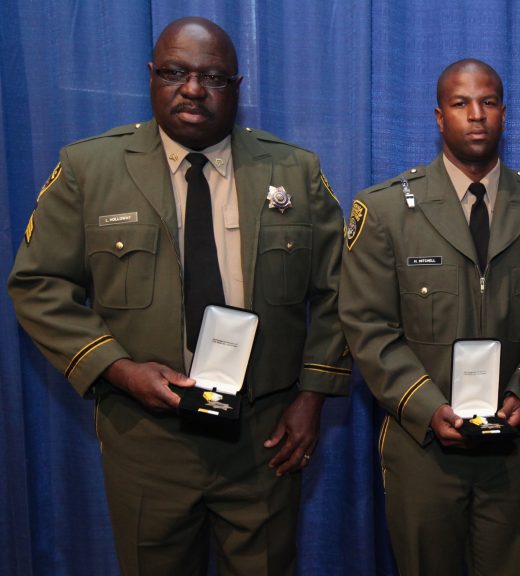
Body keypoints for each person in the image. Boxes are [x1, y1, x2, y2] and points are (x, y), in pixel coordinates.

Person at [7, 17, 350, 575]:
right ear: (151, 77)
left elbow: (343, 292)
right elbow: (37, 285)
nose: (193, 89)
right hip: (146, 440)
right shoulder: (89, 170)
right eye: (175, 72)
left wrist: (311, 396)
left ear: (238, 86)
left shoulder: (295, 170)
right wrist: (117, 369)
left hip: (264, 438)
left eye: (213, 76)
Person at [338, 58, 520, 576]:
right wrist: (425, 408)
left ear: (505, 115)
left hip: (512, 445)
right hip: (422, 446)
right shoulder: (385, 212)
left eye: (488, 102)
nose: (476, 115)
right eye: (460, 104)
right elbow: (368, 327)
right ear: (439, 117)